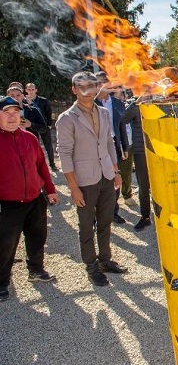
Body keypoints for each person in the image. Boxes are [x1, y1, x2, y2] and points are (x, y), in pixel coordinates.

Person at [57, 72, 128, 287]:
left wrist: (115, 172)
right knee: (87, 226)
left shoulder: (105, 113)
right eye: (82, 86)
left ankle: (105, 260)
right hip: (85, 181)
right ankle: (91, 266)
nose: (87, 90)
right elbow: (65, 153)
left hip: (106, 175)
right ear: (74, 90)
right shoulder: (67, 118)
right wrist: (73, 188)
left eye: (91, 85)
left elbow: (108, 143)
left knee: (105, 222)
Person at [0, 96, 58, 302]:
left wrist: (50, 190)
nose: (12, 116)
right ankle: (2, 282)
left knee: (37, 237)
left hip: (35, 200)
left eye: (15, 112)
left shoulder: (29, 138)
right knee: (6, 244)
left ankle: (36, 269)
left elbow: (42, 166)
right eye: (6, 112)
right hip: (8, 205)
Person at [95, 73, 130, 225]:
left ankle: (113, 211)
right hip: (97, 147)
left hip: (115, 145)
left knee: (116, 178)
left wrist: (125, 146)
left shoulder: (117, 103)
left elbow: (121, 126)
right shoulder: (91, 103)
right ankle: (96, 217)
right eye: (101, 83)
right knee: (99, 181)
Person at [120, 97, 152, 232]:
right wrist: (137, 101)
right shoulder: (133, 103)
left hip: (162, 151)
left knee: (163, 185)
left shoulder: (162, 99)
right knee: (143, 186)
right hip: (141, 150)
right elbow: (123, 120)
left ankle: (166, 215)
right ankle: (145, 217)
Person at [24, 82, 57, 171]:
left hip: (44, 126)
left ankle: (52, 164)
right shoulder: (23, 101)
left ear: (36, 90)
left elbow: (49, 113)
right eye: (29, 89)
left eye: (32, 89)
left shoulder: (43, 100)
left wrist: (49, 124)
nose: (31, 91)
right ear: (26, 90)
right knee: (34, 146)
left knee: (48, 145)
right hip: (31, 126)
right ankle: (37, 166)